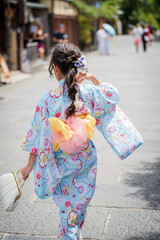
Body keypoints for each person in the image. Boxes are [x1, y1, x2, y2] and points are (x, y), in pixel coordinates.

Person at [20, 43, 142, 239]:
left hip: (60, 162)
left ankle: (70, 233)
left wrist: (29, 166)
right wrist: (93, 79)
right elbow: (111, 97)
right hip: (85, 158)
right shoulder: (88, 92)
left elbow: (37, 134)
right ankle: (73, 230)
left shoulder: (48, 99)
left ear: (55, 68)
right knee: (78, 206)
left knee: (67, 209)